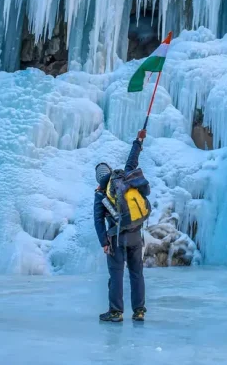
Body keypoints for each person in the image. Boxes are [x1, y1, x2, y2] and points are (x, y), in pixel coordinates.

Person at [93, 129, 149, 323]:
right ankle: (139, 310)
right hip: (135, 235)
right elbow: (132, 160)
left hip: (116, 238)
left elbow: (98, 220)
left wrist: (104, 242)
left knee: (116, 274)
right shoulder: (123, 179)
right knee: (136, 273)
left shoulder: (100, 195)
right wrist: (138, 140)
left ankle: (116, 312)